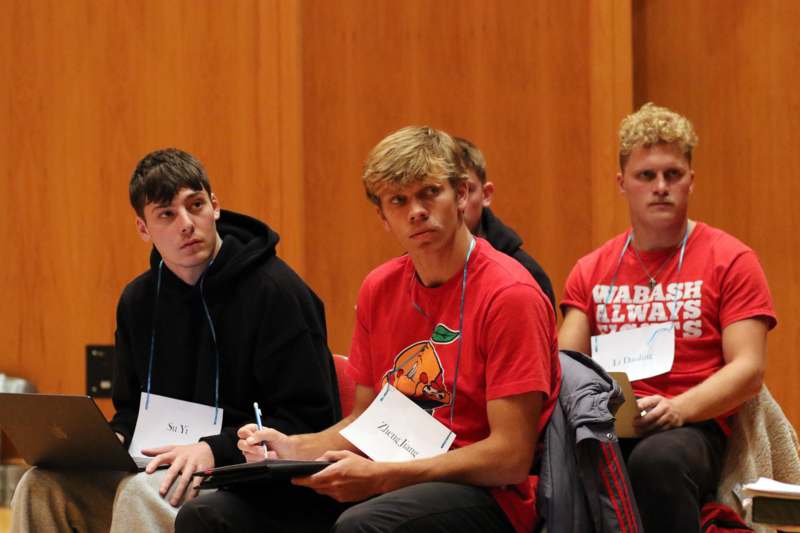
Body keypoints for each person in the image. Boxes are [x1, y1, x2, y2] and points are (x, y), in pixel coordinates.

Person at [176, 126, 560, 533]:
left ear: (462, 194)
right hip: (387, 477)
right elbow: (364, 421)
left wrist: (386, 476)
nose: (416, 211)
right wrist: (290, 447)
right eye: (399, 200)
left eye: (430, 192)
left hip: (487, 495)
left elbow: (510, 456)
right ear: (383, 216)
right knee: (210, 515)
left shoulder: (510, 293)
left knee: (364, 525)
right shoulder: (380, 288)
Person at [11, 148, 340, 533]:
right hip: (161, 465)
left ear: (214, 206)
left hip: (253, 482)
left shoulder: (277, 292)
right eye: (167, 214)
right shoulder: (138, 300)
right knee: (42, 486)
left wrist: (214, 449)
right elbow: (131, 410)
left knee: (146, 492)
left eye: (195, 205)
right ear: (143, 229)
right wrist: (112, 439)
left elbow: (308, 419)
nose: (187, 224)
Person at [558, 103, 777, 533]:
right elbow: (565, 360)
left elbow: (749, 369)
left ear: (691, 181)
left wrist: (679, 408)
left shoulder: (730, 259)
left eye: (673, 175)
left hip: (694, 423)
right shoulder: (592, 269)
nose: (660, 187)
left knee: (656, 460)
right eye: (646, 176)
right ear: (622, 183)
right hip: (611, 422)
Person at [455, 136, 556, 310]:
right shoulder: (414, 269)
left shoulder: (527, 273)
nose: (458, 202)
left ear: (486, 195)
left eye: (467, 190)